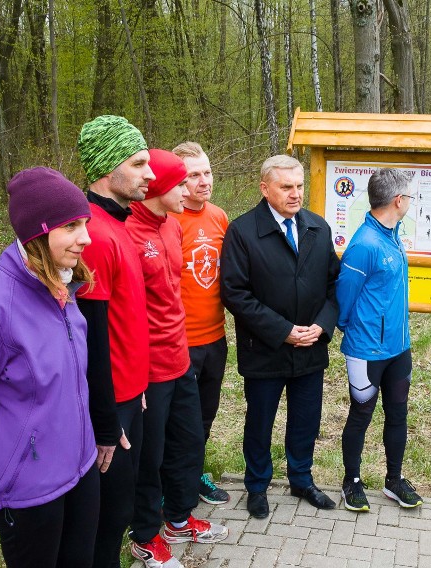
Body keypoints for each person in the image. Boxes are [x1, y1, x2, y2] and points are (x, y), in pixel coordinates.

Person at [0, 167, 99, 566]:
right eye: (72, 226)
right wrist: (9, 466)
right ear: (37, 234)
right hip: (28, 493)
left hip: (81, 469)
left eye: (86, 223)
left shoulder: (63, 284)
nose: (86, 238)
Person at [220, 155, 341, 519]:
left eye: (299, 186)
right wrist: (283, 331)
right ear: (265, 188)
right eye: (286, 187)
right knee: (260, 422)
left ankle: (301, 479)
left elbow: (334, 286)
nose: (295, 194)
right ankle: (257, 486)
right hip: (265, 350)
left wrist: (322, 325)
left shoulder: (317, 229)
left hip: (310, 348)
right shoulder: (243, 232)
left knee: (306, 419)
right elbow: (235, 293)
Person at [126, 149, 228, 567]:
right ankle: (145, 536)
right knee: (149, 456)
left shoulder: (170, 226)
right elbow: (125, 313)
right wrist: (135, 379)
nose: (191, 188)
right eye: (182, 182)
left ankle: (179, 519)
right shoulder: (129, 232)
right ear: (160, 188)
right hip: (149, 368)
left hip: (180, 356)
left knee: (187, 443)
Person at [75, 115, 154, 568]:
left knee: (120, 512)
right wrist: (106, 421)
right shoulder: (96, 236)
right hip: (110, 405)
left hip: (130, 393)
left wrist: (138, 387)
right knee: (107, 518)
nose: (149, 174)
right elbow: (91, 334)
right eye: (139, 163)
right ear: (109, 168)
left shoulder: (118, 224)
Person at [335, 168, 424, 512]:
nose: (410, 203)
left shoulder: (392, 233)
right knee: (361, 414)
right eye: (410, 197)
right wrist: (355, 329)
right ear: (398, 201)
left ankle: (394, 480)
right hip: (367, 350)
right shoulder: (364, 244)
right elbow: (344, 298)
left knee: (397, 414)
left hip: (398, 348)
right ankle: (351, 481)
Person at [168, 142, 231, 505]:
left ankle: (194, 475)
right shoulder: (169, 219)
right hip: (180, 342)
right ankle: (173, 486)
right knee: (182, 422)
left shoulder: (219, 217)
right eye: (193, 175)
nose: (204, 181)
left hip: (215, 337)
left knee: (205, 416)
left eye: (206, 172)